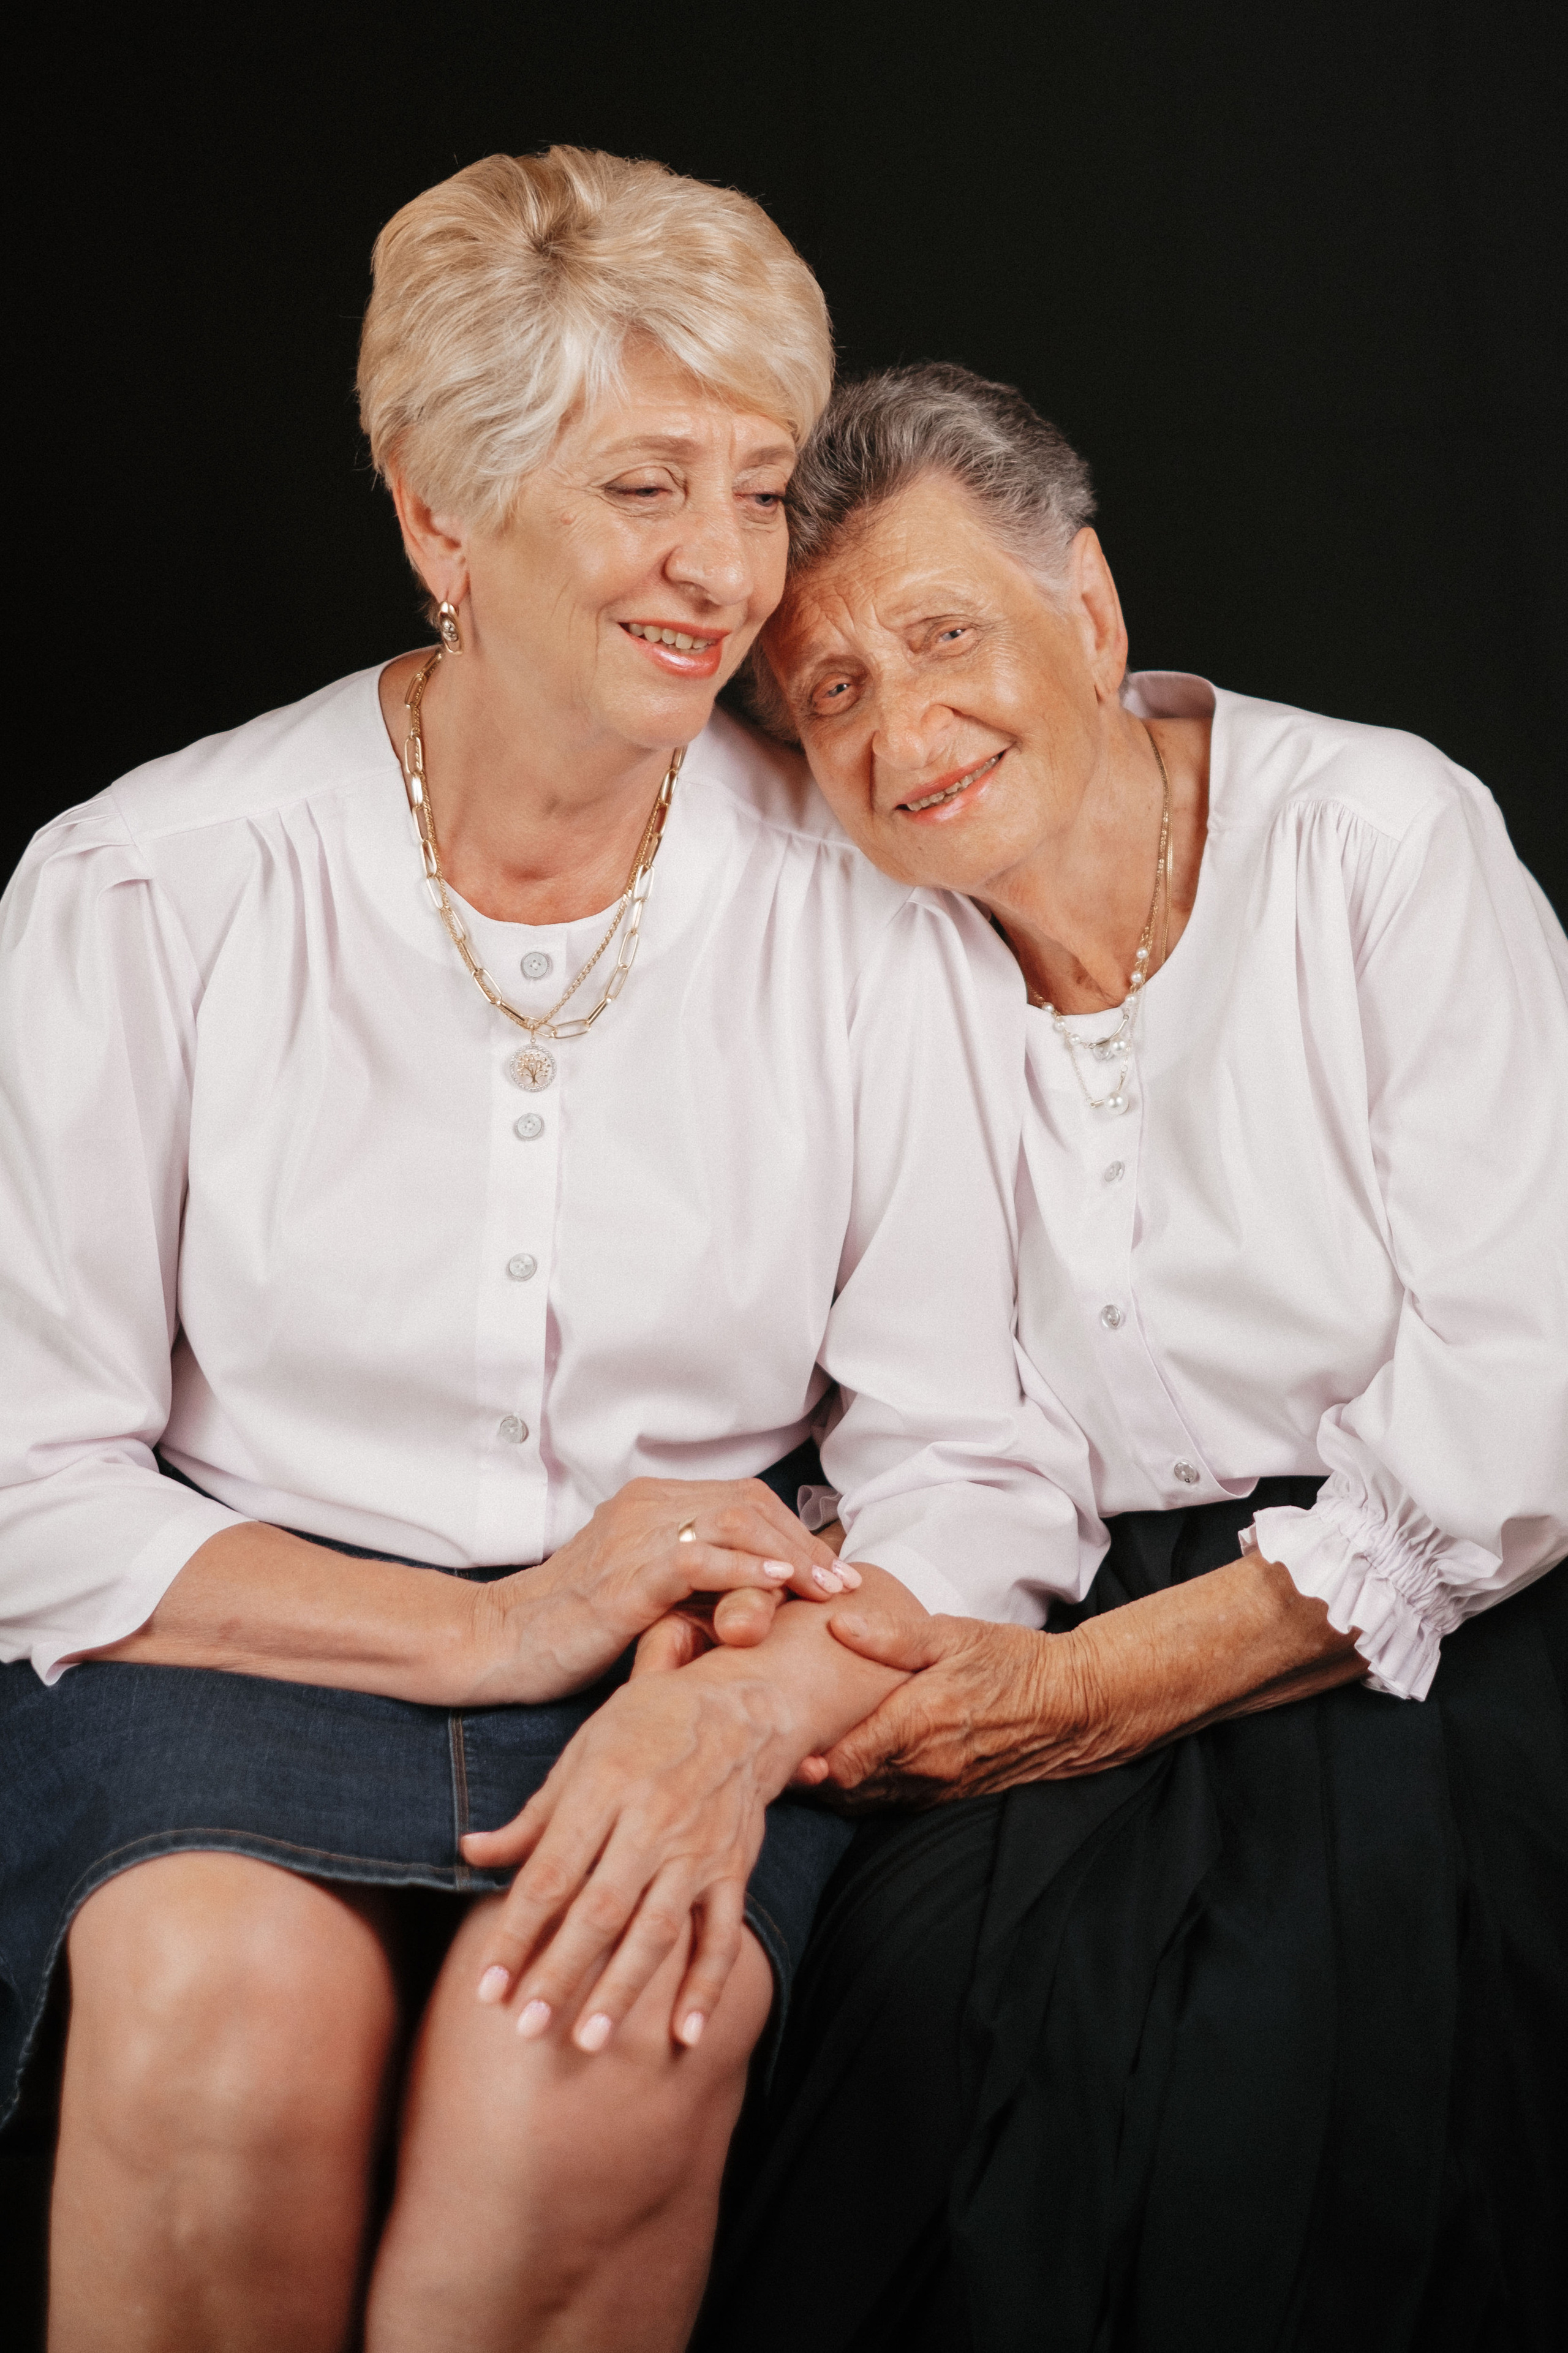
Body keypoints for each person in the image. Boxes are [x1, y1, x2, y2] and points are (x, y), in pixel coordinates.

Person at [0, 181, 1067, 2352]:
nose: (724, 567)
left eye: (760, 489)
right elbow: (32, 1477)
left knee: (584, 2059)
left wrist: (746, 1712)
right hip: (252, 1630)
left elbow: (980, 1452)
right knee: (223, 2022)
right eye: (643, 486)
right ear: (441, 520)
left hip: (692, 1667)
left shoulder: (867, 918)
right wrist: (497, 1627)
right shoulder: (149, 888)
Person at [692, 364, 1568, 2352]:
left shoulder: (1385, 836)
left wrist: (1077, 1696)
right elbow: (894, 1404)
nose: (904, 732)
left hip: (1441, 1606)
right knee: (916, 2010)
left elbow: (1522, 1406)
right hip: (1050, 1583)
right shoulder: (865, 942)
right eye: (829, 694)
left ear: (1085, 613)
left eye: (941, 635)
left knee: (1300, 2048)